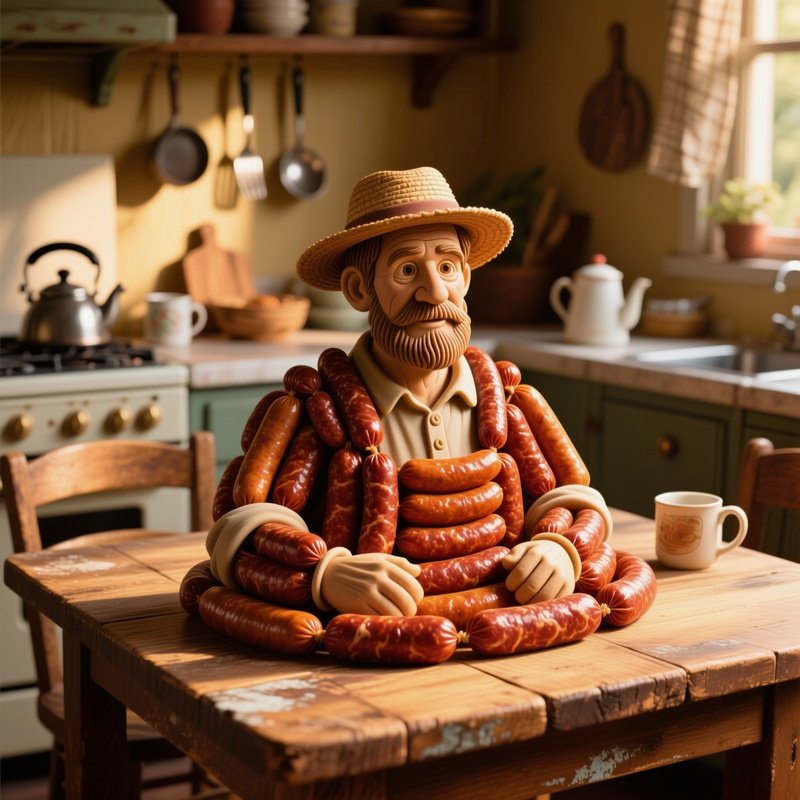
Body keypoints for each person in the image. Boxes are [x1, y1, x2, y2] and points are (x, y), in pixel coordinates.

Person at [205, 166, 611, 629]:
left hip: (504, 631)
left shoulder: (503, 397)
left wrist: (558, 548)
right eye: (406, 270)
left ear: (467, 279)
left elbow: (571, 496)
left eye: (447, 267)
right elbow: (239, 528)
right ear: (360, 289)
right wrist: (324, 573)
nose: (434, 291)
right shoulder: (320, 408)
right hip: (369, 653)